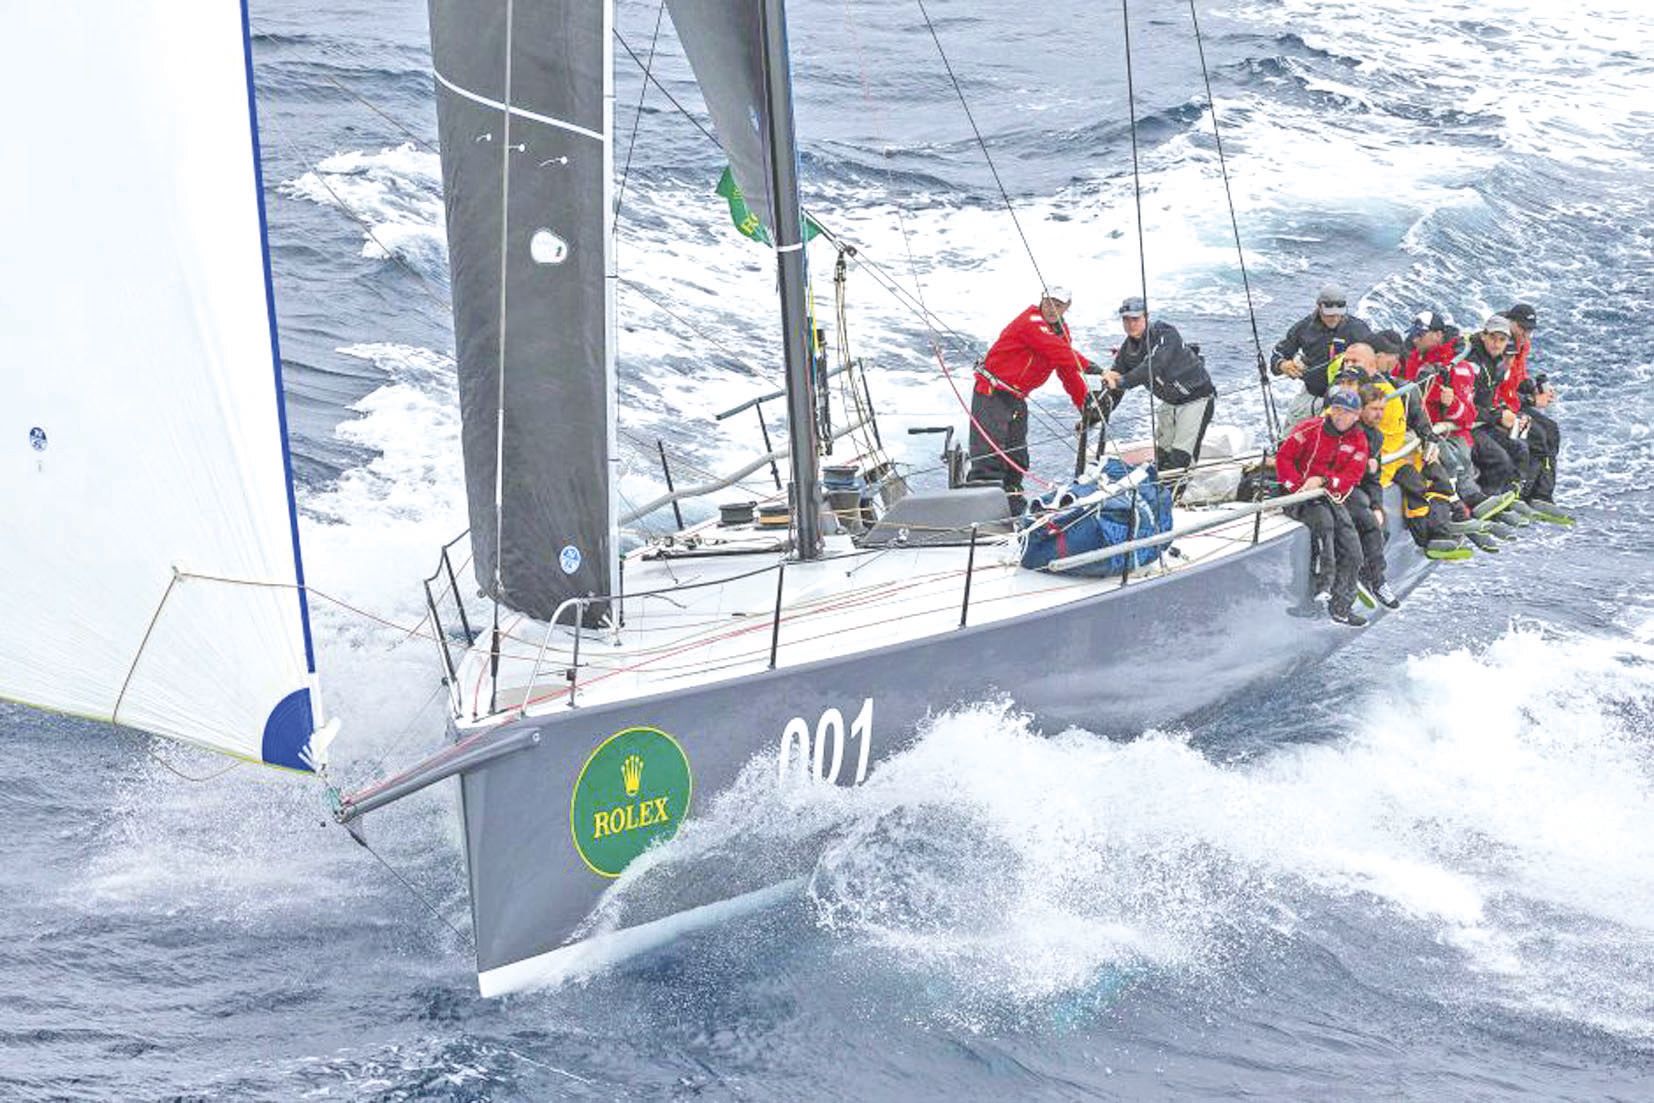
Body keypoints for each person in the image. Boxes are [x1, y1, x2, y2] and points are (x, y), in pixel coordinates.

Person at [968, 287, 1100, 506]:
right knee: (989, 459)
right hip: (992, 393)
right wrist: (1097, 369)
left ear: (1067, 308)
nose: (1051, 308)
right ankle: (981, 512)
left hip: (1016, 398)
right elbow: (1061, 353)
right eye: (1048, 302)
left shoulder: (1061, 332)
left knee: (1016, 459)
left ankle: (1013, 508)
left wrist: (1085, 405)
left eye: (1057, 305)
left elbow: (1067, 371)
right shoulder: (1031, 321)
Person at [1274, 388, 1371, 627]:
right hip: (1300, 497)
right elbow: (1283, 458)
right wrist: (1297, 487)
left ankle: (1342, 606)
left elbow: (1353, 475)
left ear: (1357, 415)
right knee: (1323, 528)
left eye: (1347, 412)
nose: (1340, 416)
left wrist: (1325, 481)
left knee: (1352, 546)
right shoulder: (1307, 430)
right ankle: (1320, 587)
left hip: (1330, 496)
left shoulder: (1359, 440)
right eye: (1337, 409)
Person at [1096, 296, 1217, 474]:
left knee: (1181, 458)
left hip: (1196, 400)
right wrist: (1097, 412)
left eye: (1135, 319)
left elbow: (1154, 365)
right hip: (1170, 403)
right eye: (1126, 320)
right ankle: (1158, 493)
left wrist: (1121, 381)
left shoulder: (1165, 333)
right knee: (1163, 456)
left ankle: (1172, 497)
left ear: (1146, 316)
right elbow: (1116, 382)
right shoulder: (1127, 350)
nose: (1131, 324)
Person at [1270, 283, 1375, 420]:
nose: (1335, 318)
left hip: (1346, 399)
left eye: (1339, 315)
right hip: (1312, 395)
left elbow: (1374, 361)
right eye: (1329, 315)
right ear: (1319, 307)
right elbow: (1278, 355)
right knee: (1288, 438)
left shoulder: (1358, 329)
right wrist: (1282, 365)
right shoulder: (1303, 328)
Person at [1466, 314, 1528, 499]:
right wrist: (1498, 416)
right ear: (1484, 335)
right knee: (1500, 460)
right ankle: (1489, 499)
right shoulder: (1473, 364)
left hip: (1486, 420)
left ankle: (1516, 495)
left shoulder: (1498, 363)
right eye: (1492, 337)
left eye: (1502, 339)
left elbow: (1490, 399)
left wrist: (1503, 412)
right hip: (1469, 426)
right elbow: (1467, 408)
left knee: (1522, 445)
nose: (1496, 343)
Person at [1350, 385, 1400, 608]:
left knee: (1383, 528)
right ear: (1360, 409)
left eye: (1382, 409)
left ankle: (1366, 571)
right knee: (1369, 524)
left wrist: (1377, 505)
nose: (1379, 414)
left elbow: (1374, 476)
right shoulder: (1348, 429)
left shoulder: (1377, 437)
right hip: (1343, 489)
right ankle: (1377, 581)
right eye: (1373, 409)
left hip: (1362, 488)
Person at [1518, 372, 1564, 507]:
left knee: (1551, 430)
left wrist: (1535, 391)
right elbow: (1496, 391)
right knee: (1538, 437)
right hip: (1501, 409)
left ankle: (1542, 494)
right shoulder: (1499, 357)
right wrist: (1530, 400)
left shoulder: (1517, 354)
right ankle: (1522, 494)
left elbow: (1516, 383)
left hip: (1516, 404)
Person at [1496, 302, 1538, 415]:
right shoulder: (1497, 346)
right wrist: (1530, 400)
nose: (1526, 335)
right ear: (1509, 322)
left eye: (1529, 330)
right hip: (1497, 406)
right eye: (1522, 328)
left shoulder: (1522, 343)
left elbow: (1518, 375)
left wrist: (1534, 390)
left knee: (1550, 427)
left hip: (1512, 400)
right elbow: (1494, 387)